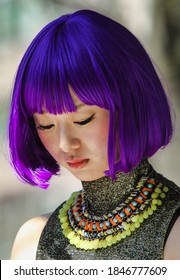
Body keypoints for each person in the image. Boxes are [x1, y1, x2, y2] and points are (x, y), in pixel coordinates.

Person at [8, 9, 180, 260]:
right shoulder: (31, 244)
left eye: (83, 120)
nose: (66, 145)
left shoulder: (174, 234)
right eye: (45, 125)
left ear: (130, 105)